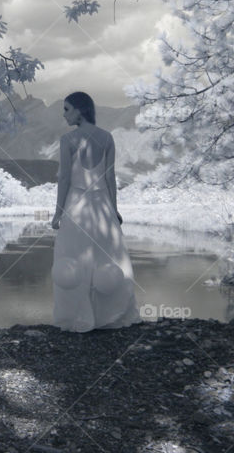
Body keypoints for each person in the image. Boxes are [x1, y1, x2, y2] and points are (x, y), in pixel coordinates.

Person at [50, 92, 139, 331]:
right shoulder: (107, 137)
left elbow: (65, 178)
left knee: (73, 261)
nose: (64, 114)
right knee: (107, 260)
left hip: (76, 207)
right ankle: (110, 316)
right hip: (102, 208)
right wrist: (115, 210)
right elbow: (110, 178)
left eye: (67, 109)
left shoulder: (68, 140)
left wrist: (58, 213)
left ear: (80, 110)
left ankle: (77, 317)